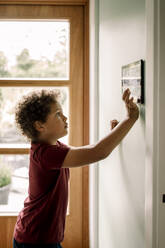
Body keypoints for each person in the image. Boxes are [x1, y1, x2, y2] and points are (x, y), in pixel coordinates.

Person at [13, 88, 139, 248]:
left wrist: (115, 134)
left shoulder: (53, 146)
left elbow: (90, 151)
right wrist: (130, 118)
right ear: (40, 125)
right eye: (58, 114)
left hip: (40, 236)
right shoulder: (46, 154)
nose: (65, 117)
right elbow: (97, 152)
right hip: (36, 239)